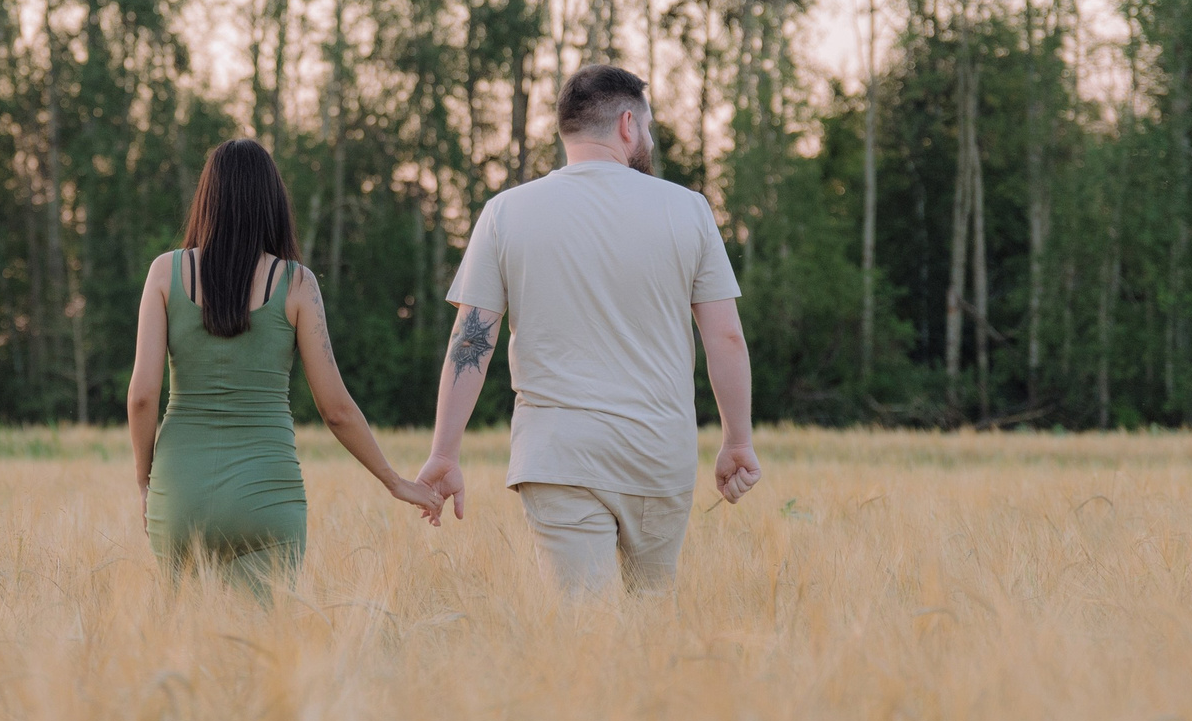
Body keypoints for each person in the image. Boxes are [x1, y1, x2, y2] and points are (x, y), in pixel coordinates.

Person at [415, 64, 759, 594]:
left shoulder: (505, 212)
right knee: (652, 616)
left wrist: (443, 454)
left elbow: (471, 342)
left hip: (557, 455)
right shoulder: (688, 210)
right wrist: (738, 439)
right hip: (658, 452)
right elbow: (725, 338)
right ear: (627, 124)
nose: (645, 138)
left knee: (580, 632)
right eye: (646, 127)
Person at [128, 139, 443, 594]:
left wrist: (145, 481)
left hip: (179, 494)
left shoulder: (164, 273)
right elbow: (336, 409)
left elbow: (142, 397)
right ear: (272, 203)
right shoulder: (296, 283)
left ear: (206, 200)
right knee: (264, 656)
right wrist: (395, 482)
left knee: (187, 651)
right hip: (268, 499)